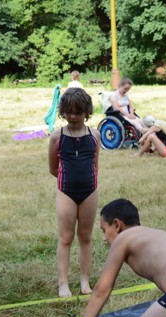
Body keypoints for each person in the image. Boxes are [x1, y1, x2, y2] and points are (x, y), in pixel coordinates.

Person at [48, 87, 100, 298]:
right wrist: (66, 183)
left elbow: (95, 165)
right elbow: (53, 168)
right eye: (68, 112)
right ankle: (63, 283)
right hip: (66, 192)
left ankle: (84, 279)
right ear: (63, 112)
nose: (73, 117)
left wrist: (89, 183)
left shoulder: (94, 135)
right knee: (66, 237)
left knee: (85, 236)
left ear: (86, 112)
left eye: (78, 112)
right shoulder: (57, 137)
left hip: (90, 191)